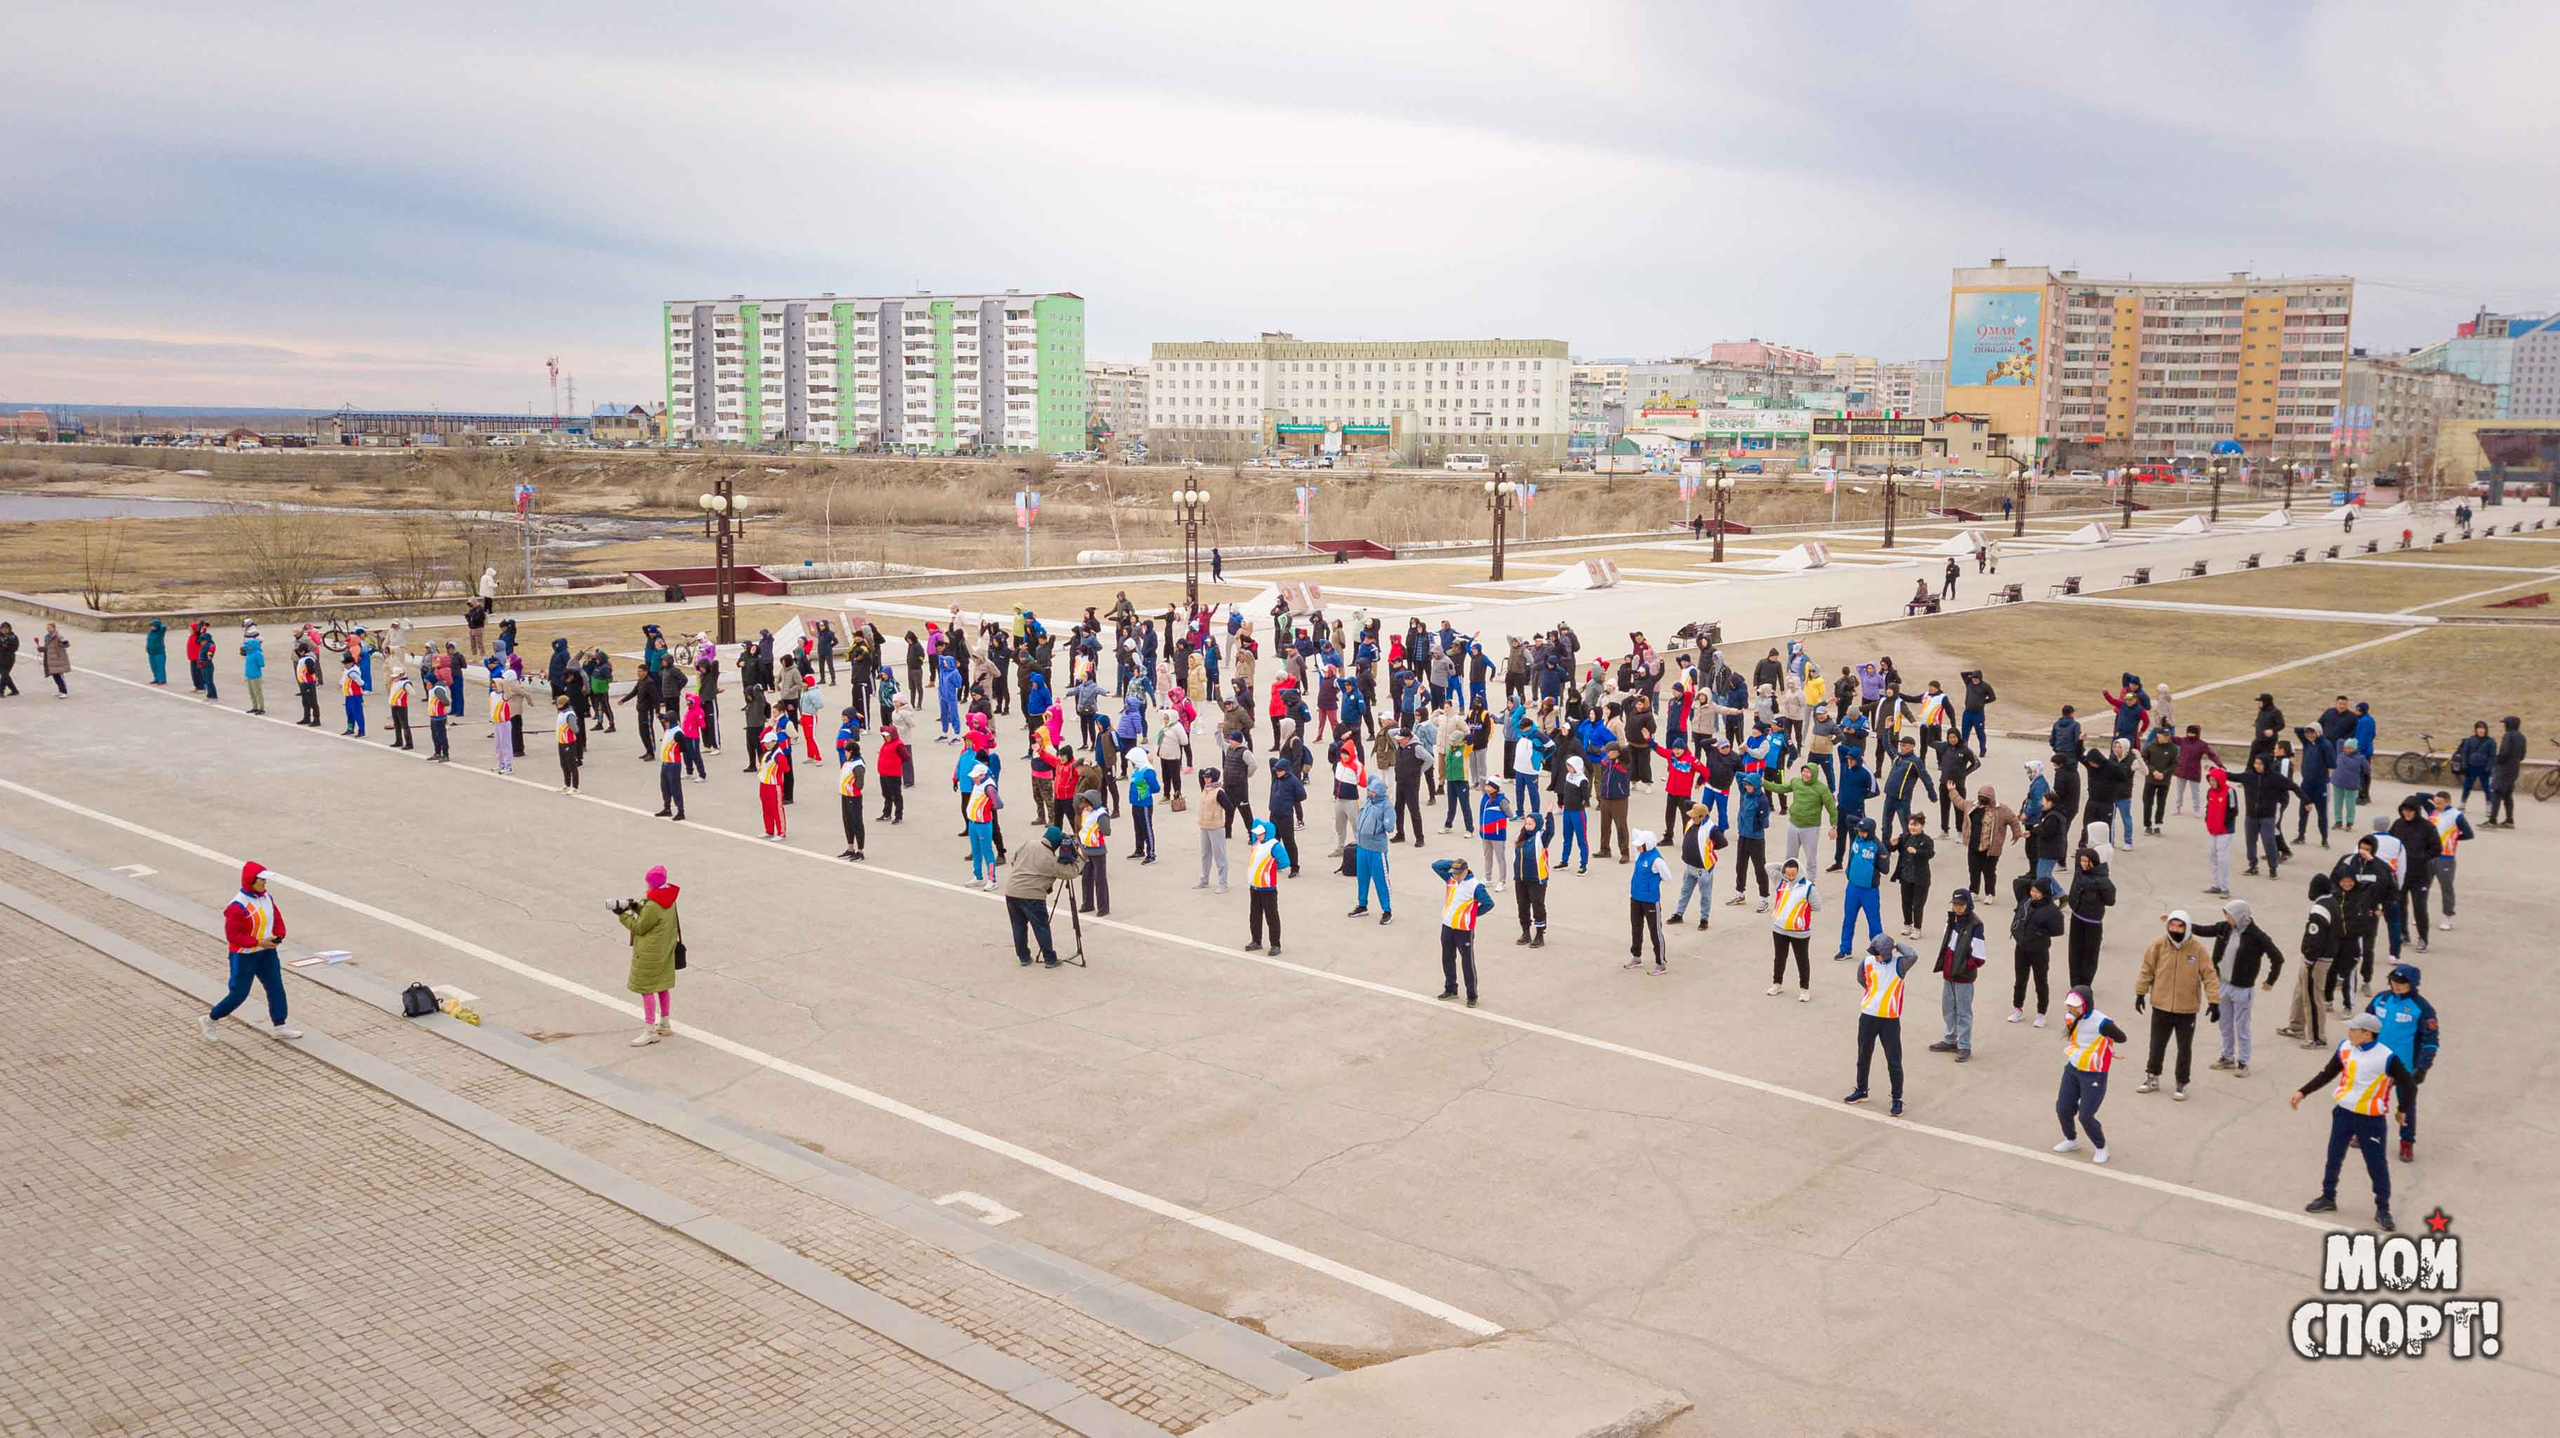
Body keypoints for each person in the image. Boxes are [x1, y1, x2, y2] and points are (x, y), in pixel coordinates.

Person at [2290, 1012, 2411, 1230]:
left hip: (2371, 1119)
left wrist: (2402, 1110)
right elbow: (2327, 1073)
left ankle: (2383, 1209)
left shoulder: (2387, 1057)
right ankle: (2328, 1196)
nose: (2349, 1032)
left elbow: (2409, 1085)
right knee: (2333, 1156)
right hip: (2343, 1113)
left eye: (2354, 1030)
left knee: (2376, 1164)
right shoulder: (2345, 1048)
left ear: (2367, 1034)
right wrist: (2303, 1092)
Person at [200, 860, 300, 1041]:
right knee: (239, 994)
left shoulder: (267, 897)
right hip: (244, 956)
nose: (265, 883)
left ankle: (280, 1025)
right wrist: (259, 942)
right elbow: (233, 937)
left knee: (276, 987)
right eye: (261, 880)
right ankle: (210, 1019)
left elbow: (276, 919)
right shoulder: (237, 907)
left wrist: (279, 936)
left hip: (267, 953)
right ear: (251, 881)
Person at [2132, 910, 2221, 1100]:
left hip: (2186, 1009)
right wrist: (2140, 992)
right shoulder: (2159, 945)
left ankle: (2182, 1083)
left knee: (2184, 1048)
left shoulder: (2197, 949)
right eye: (2172, 925)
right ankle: (2152, 1077)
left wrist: (2214, 1001)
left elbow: (2209, 975)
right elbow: (2147, 968)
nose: (2175, 930)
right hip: (2161, 1006)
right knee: (2156, 1045)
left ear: (2187, 927)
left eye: (2180, 926)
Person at [2192, 897, 2282, 1077]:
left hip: (2242, 989)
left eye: (2230, 915)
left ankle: (2243, 1062)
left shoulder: (2257, 936)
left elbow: (2277, 957)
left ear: (2240, 916)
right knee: (2225, 1024)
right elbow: (2205, 929)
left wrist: (2270, 980)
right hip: (2222, 985)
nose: (2227, 919)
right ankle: (2227, 1057)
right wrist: (2183, 923)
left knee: (2242, 1027)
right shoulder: (2225, 928)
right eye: (2226, 914)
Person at [2365, 964, 2440, 1163]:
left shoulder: (2422, 1008)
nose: (2396, 986)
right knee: (2370, 1099)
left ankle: (2406, 1142)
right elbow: (2366, 1024)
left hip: (2405, 1066)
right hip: (2376, 1062)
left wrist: (2423, 1067)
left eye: (2402, 983)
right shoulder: (2381, 999)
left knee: (2405, 1106)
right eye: (2393, 981)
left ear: (2412, 984)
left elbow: (2431, 1040)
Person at [1846, 933, 1920, 1115]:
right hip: (1868, 1015)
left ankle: (1897, 1098)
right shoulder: (1867, 962)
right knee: (1863, 1054)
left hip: (1889, 1019)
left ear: (1887, 953)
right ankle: (1861, 1089)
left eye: (1878, 953)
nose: (1875, 956)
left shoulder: (1899, 965)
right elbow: (1861, 980)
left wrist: (1897, 945)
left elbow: (1913, 955)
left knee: (1894, 1060)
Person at [2052, 986, 2126, 1164]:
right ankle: (2071, 1140)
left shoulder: (2102, 1022)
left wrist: (2108, 1048)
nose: (2071, 1009)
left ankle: (2101, 1147)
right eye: (2069, 1005)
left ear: (2086, 1004)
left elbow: (2121, 1037)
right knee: (2063, 1108)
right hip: (2073, 1069)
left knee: (2086, 1115)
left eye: (2075, 1006)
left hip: (2094, 1074)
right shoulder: (2070, 1017)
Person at [610, 866, 682, 1047]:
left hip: (650, 954)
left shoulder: (652, 905)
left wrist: (622, 915)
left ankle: (650, 1030)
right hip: (665, 950)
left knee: (646, 989)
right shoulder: (669, 899)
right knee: (662, 986)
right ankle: (664, 1023)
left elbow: (639, 928)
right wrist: (638, 906)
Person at [1004, 826, 1081, 968]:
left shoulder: (1029, 843)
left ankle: (1023, 957)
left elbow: (1013, 859)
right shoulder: (1050, 859)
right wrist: (1081, 857)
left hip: (1011, 891)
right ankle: (1050, 958)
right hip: (1032, 895)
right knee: (1041, 927)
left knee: (1018, 926)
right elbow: (1070, 873)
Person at [1928, 888, 1987, 1061]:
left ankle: (1964, 1045)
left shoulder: (1976, 925)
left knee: (1963, 1011)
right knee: (1948, 1007)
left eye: (1961, 905)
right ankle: (1950, 1039)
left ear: (1968, 904)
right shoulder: (1952, 920)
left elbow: (1979, 956)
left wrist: (1964, 967)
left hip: (1963, 975)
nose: (1958, 908)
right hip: (1949, 972)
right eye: (1955, 904)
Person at [1430, 855, 1496, 1006]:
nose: (1455, 876)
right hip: (1447, 925)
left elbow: (1488, 903)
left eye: (1458, 873)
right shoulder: (1450, 879)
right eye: (1454, 872)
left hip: (1464, 929)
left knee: (1467, 962)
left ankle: (1472, 994)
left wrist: (1472, 914)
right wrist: (1453, 863)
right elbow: (1435, 865)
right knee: (1447, 958)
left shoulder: (1475, 886)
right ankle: (1451, 988)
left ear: (1466, 871)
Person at [2007, 875, 2065, 1025]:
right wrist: (2033, 882)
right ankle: (2017, 1008)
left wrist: (2041, 933)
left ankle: (2041, 1013)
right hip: (2021, 946)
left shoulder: (2051, 910)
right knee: (2020, 979)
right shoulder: (2025, 900)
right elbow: (2017, 882)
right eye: (2032, 890)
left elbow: (2058, 930)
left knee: (2041, 981)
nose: (2034, 894)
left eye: (2038, 892)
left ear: (2045, 893)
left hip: (2039, 950)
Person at [2065, 843, 2115, 989]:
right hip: (2077, 918)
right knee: (2074, 953)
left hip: (2092, 921)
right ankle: (2075, 984)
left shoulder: (2102, 880)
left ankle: (2085, 985)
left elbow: (2110, 900)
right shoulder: (2079, 871)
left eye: (2087, 861)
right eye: (2082, 861)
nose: (2084, 864)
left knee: (2090, 955)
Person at [1768, 858, 1818, 1001]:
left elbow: (1816, 906)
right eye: (1787, 874)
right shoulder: (1781, 882)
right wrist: (1782, 865)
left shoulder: (1809, 887)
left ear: (1799, 872)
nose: (1790, 877)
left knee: (1802, 960)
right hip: (1779, 929)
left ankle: (1804, 989)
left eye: (1793, 874)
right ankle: (1777, 983)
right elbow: (1768, 866)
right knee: (1779, 958)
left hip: (1800, 932)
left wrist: (1799, 918)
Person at [1667, 807, 1722, 931]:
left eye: (1695, 816)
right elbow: (1687, 803)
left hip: (1704, 868)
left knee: (1705, 895)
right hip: (1690, 865)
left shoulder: (1711, 828)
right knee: (1685, 891)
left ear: (1702, 817)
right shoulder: (1692, 822)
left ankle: (1704, 919)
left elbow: (1722, 842)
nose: (1692, 818)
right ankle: (1679, 914)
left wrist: (1709, 849)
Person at [2425, 789, 2472, 928]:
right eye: (2435, 802)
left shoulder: (2456, 815)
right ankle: (2421, 914)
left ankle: (2447, 917)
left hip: (2446, 856)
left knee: (2446, 887)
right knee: (2423, 886)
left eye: (2440, 803)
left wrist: (2453, 839)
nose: (2437, 805)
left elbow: (2469, 833)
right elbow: (2419, 797)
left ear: (2448, 802)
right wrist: (2432, 797)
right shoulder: (2432, 811)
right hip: (2429, 855)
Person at [1350, 774, 1393, 921]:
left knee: (1381, 880)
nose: (1370, 793)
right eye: (1369, 791)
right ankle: (1362, 905)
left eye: (1373, 792)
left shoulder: (1386, 805)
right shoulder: (1368, 801)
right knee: (1362, 878)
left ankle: (1387, 910)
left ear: (1380, 793)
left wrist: (1380, 824)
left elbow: (1390, 827)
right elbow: (1371, 778)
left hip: (1376, 849)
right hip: (1362, 846)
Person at [1243, 818, 1288, 954]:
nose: (1258, 835)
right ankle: (1256, 940)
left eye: (1261, 833)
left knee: (1271, 916)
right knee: (1254, 915)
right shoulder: (1257, 843)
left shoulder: (1274, 845)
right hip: (1255, 887)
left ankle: (1275, 944)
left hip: (1268, 888)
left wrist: (1272, 868)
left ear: (1268, 833)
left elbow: (1284, 861)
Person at [1625, 831, 1667, 972]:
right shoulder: (1641, 855)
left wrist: (1654, 883)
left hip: (1650, 900)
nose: (1637, 847)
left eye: (1640, 845)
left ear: (1647, 845)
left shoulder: (1656, 860)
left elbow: (1667, 876)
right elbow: (1636, 831)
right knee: (1636, 928)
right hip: (1636, 898)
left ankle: (1660, 963)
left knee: (1655, 930)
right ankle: (1636, 956)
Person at [1887, 814, 1935, 938]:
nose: (1913, 827)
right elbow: (1891, 849)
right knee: (1906, 902)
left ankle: (1917, 928)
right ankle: (1907, 924)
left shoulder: (1927, 840)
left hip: (1920, 878)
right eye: (1911, 824)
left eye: (1916, 825)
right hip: (1906, 876)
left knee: (1918, 904)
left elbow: (1930, 854)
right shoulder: (1904, 837)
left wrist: (1917, 852)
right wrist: (1892, 844)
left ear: (1922, 826)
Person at [2200, 765, 2236, 896]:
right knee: (2212, 856)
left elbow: (2233, 811)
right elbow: (2208, 806)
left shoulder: (2229, 791)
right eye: (2210, 780)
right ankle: (2216, 885)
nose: (2212, 783)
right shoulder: (2210, 791)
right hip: (2212, 830)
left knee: (2222, 859)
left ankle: (2225, 887)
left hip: (2225, 831)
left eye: (2215, 780)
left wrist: (2222, 823)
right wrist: (2208, 820)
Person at [1075, 792, 1112, 916]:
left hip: (1098, 850)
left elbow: (1107, 831)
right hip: (1086, 849)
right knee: (1086, 879)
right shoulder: (1086, 812)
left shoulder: (1101, 814)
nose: (1085, 808)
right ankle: (1087, 903)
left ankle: (1103, 907)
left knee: (1100, 880)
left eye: (1087, 805)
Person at [1195, 768, 1231, 893]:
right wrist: (1203, 773)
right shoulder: (1205, 788)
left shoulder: (1219, 792)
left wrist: (1222, 821)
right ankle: (1204, 879)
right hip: (1204, 825)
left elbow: (1229, 807)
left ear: (1214, 778)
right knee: (1205, 854)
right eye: (1205, 777)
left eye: (1209, 777)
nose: (1206, 779)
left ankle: (1223, 883)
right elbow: (1200, 773)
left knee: (1219, 855)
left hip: (1216, 827)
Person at [2486, 717, 2525, 827]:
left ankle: (2492, 820)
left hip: (2504, 769)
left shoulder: (2508, 736)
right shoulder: (2521, 737)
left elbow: (2504, 753)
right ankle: (2509, 820)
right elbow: (2522, 755)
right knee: (2508, 794)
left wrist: (2497, 762)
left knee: (2497, 792)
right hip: (2514, 768)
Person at [552, 692, 584, 793]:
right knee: (564, 764)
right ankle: (567, 784)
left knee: (571, 765)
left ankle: (575, 787)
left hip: (569, 742)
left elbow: (575, 729)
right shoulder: (561, 713)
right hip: (561, 741)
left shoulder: (569, 714)